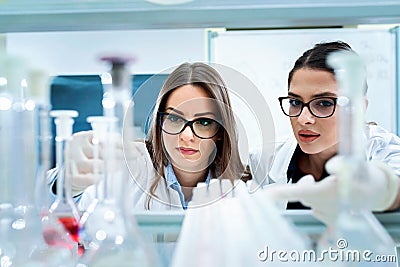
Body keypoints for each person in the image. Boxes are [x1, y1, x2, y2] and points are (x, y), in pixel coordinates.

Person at [50, 62, 252, 211]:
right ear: (160, 122)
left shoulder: (240, 189)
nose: (187, 136)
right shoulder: (132, 164)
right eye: (174, 118)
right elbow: (51, 204)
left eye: (204, 122)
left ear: (220, 132)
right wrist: (68, 184)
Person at [261, 41, 400, 225]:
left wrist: (379, 189)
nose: (304, 119)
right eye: (295, 102)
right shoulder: (267, 157)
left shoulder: (384, 149)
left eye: (324, 103)